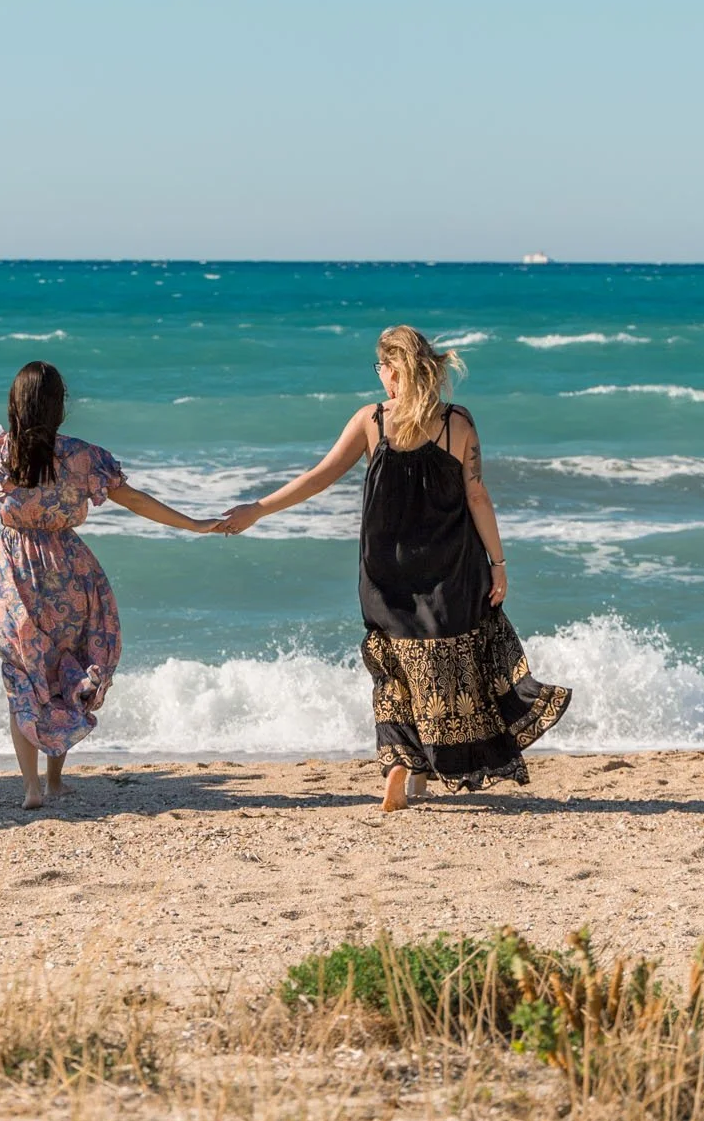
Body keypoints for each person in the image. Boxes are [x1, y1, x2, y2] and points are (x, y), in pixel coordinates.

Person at [215, 325, 569, 809]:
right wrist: (499, 562)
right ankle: (422, 768)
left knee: (396, 669)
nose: (379, 375)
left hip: (385, 571)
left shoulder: (372, 421)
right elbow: (478, 495)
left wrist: (258, 508)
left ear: (395, 371)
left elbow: (318, 477)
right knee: (452, 665)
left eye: (381, 367)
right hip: (452, 566)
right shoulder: (457, 423)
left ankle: (402, 763)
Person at [0, 361, 214, 807]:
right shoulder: (82, 456)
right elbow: (134, 500)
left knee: (24, 675)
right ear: (58, 408)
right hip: (69, 568)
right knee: (64, 667)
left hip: (16, 570)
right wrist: (191, 524)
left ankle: (32, 787)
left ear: (15, 404)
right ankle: (55, 781)